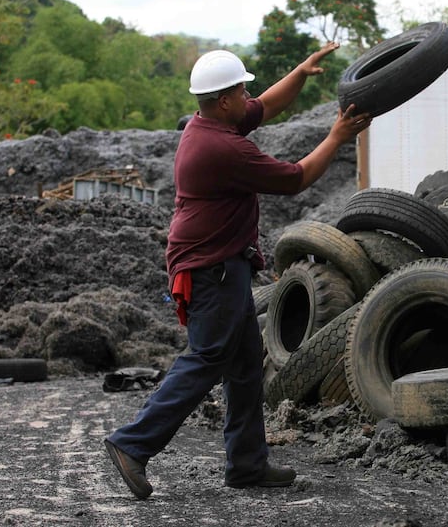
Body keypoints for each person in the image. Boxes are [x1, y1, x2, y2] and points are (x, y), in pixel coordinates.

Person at [103, 43, 371, 500]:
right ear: (224, 100)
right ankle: (132, 444)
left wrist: (301, 71)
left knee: (246, 364)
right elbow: (295, 179)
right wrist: (337, 136)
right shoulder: (221, 148)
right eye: (242, 89)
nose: (249, 95)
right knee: (208, 358)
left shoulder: (207, 122)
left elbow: (266, 105)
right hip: (211, 269)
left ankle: (246, 464)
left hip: (222, 262)